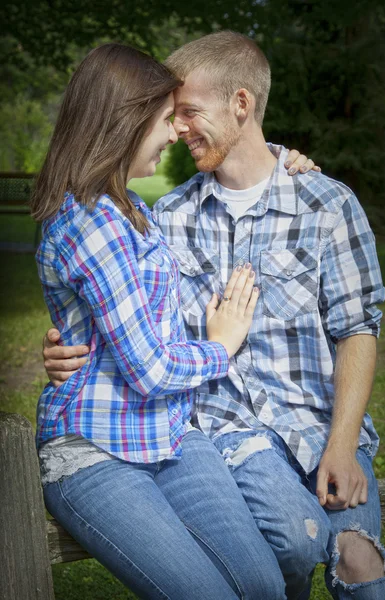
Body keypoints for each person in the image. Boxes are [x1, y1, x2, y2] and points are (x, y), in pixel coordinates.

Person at [43, 32, 385, 599]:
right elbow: (120, 300)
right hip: (226, 429)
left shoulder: (326, 203)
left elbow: (358, 327)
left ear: (241, 104)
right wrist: (68, 343)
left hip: (319, 425)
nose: (178, 129)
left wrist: (342, 441)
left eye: (188, 112)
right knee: (292, 540)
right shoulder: (169, 214)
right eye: (170, 116)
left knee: (359, 561)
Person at [31, 42, 296, 600]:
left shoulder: (132, 208)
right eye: (163, 118)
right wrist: (220, 346)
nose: (176, 132)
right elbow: (149, 370)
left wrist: (289, 163)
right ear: (124, 123)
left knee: (265, 588)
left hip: (173, 434)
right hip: (97, 449)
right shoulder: (89, 222)